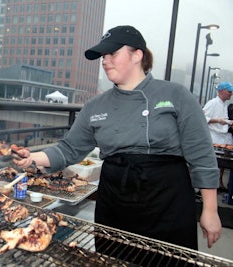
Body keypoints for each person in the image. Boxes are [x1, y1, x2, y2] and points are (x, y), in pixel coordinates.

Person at [12, 25, 221, 252]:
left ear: (137, 55)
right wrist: (30, 157)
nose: (105, 60)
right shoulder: (95, 106)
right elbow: (68, 149)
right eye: (103, 56)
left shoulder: (175, 95)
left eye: (113, 53)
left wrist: (210, 210)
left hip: (168, 200)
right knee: (114, 257)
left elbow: (202, 155)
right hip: (115, 200)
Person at [203, 81, 233, 191]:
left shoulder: (224, 105)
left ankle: (219, 182)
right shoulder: (213, 103)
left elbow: (224, 120)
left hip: (223, 137)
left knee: (222, 164)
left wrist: (228, 123)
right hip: (213, 136)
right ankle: (208, 185)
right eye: (229, 92)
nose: (231, 94)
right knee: (213, 163)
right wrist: (218, 121)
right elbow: (203, 118)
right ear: (221, 91)